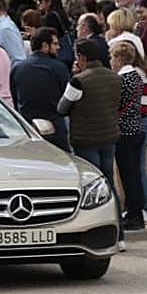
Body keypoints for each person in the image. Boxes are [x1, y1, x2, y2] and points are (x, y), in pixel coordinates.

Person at [58, 39, 122, 218]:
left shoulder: (78, 81)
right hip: (109, 136)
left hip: (86, 139)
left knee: (92, 186)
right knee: (109, 182)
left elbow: (62, 108)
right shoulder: (115, 77)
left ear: (81, 57)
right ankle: (118, 231)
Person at [111, 42, 147, 231]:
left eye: (113, 58)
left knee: (128, 176)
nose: (111, 61)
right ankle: (136, 211)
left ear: (119, 59)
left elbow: (116, 105)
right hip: (137, 128)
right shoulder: (137, 76)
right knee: (134, 173)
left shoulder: (122, 79)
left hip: (124, 131)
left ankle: (134, 214)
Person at [10, 28, 72, 151]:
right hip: (55, 124)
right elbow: (66, 96)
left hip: (28, 125)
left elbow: (15, 97)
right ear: (44, 45)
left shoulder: (18, 68)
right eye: (55, 44)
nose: (58, 47)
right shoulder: (59, 67)